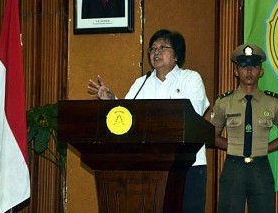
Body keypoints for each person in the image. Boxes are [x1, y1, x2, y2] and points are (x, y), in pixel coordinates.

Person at [87, 29, 210, 212]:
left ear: (176, 55)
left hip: (188, 166)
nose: (156, 52)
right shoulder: (141, 83)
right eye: (152, 49)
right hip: (150, 168)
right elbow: (128, 118)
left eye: (163, 47)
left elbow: (191, 117)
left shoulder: (191, 79)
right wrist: (112, 102)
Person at [210, 43, 278, 213]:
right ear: (236, 71)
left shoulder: (272, 102)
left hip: (260, 167)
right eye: (243, 66)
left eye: (254, 66)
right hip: (234, 168)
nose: (249, 71)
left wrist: (264, 148)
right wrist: (234, 147)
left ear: (261, 71)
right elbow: (212, 136)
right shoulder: (224, 102)